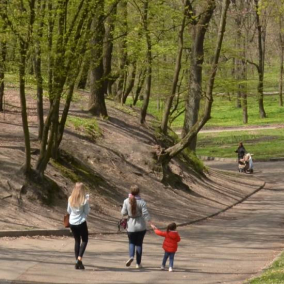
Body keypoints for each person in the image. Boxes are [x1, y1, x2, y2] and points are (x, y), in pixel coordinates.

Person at [121, 185, 151, 269]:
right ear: (138, 192)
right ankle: (138, 263)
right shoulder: (142, 202)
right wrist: (150, 222)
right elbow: (145, 214)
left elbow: (123, 213)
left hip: (130, 226)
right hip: (141, 226)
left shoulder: (126, 201)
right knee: (139, 244)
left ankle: (131, 256)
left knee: (131, 242)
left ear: (130, 191)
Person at [67, 182, 90, 270]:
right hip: (81, 222)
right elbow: (87, 212)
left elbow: (68, 211)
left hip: (72, 222)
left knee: (77, 241)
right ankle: (79, 258)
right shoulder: (84, 200)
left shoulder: (70, 198)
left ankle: (77, 261)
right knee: (84, 240)